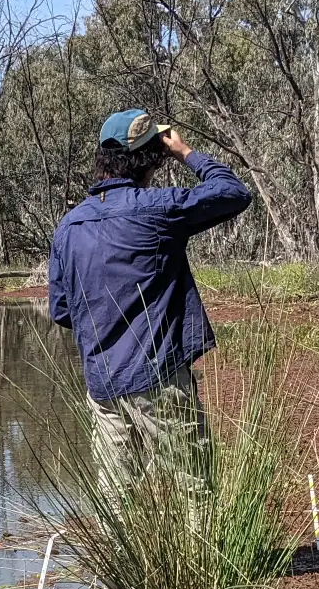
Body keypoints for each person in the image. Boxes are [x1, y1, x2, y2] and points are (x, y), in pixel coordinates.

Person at [46, 110, 252, 493]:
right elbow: (234, 193)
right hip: (160, 379)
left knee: (117, 500)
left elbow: (61, 310)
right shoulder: (159, 208)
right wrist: (186, 152)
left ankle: (126, 557)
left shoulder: (69, 227)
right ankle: (198, 556)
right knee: (195, 487)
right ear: (152, 156)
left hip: (103, 387)